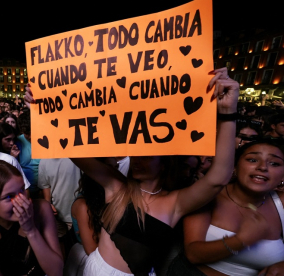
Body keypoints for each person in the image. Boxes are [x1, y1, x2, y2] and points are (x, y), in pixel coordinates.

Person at [25, 67, 239, 275]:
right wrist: (42, 109)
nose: (137, 159)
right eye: (135, 153)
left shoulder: (175, 202)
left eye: (146, 155)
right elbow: (72, 149)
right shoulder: (116, 186)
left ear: (164, 162)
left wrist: (228, 112)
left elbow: (218, 178)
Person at [176, 139, 284, 276]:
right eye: (252, 160)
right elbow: (193, 254)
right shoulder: (209, 195)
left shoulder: (280, 203)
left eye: (274, 163)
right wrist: (241, 240)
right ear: (235, 166)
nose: (263, 167)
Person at [0, 160, 63, 276]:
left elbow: (56, 271)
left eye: (22, 190)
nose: (20, 201)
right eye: (9, 197)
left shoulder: (42, 209)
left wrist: (30, 230)